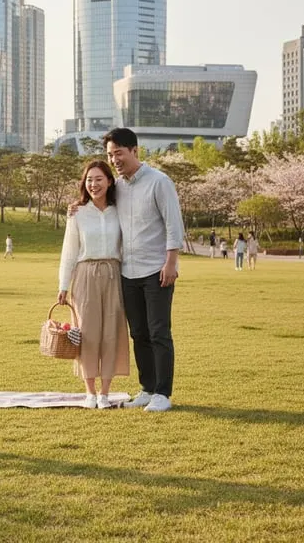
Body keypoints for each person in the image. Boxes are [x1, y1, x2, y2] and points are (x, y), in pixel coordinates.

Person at [103, 128, 184, 413]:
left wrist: (171, 263)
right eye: (110, 155)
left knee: (159, 331)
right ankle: (148, 389)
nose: (114, 160)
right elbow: (97, 201)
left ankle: (163, 393)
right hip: (128, 272)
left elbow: (174, 224)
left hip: (157, 269)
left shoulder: (159, 182)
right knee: (139, 333)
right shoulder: (118, 186)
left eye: (119, 154)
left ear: (135, 151)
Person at [58, 160, 129, 409]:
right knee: (87, 333)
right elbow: (69, 250)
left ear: (110, 181)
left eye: (99, 179)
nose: (93, 184)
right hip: (85, 273)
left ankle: (105, 393)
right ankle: (89, 392)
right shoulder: (78, 212)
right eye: (89, 180)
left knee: (111, 332)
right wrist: (63, 285)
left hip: (113, 273)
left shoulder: (120, 210)